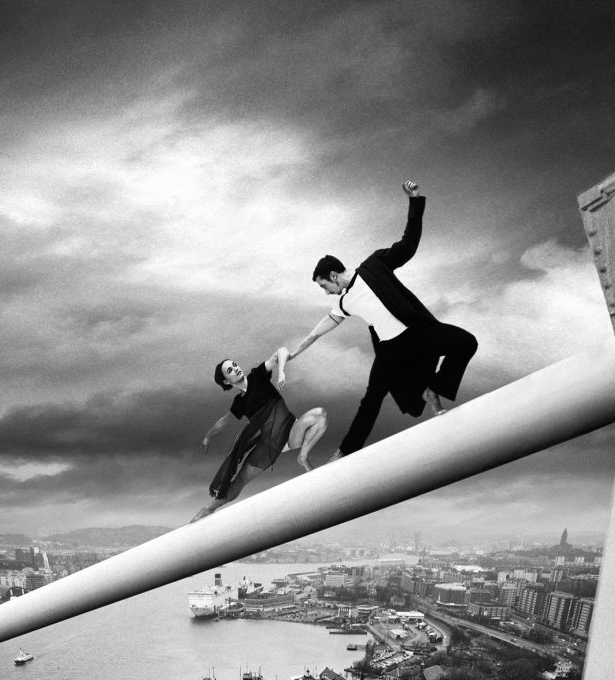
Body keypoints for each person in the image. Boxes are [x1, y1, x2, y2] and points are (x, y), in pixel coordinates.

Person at [291, 178, 477, 459]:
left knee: (466, 343)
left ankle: (434, 389)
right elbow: (319, 330)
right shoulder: (343, 302)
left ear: (332, 276)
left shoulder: (375, 264)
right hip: (390, 350)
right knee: (372, 400)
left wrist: (414, 200)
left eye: (324, 287)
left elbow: (409, 244)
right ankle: (343, 453)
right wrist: (293, 353)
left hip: (418, 332)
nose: (327, 293)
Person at [191, 346, 327, 521]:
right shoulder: (239, 402)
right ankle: (208, 509)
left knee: (320, 415)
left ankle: (303, 456)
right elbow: (223, 421)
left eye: (234, 364)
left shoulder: (257, 376)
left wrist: (281, 372)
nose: (235, 368)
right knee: (239, 481)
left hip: (291, 431)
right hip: (268, 445)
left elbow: (282, 351)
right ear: (227, 381)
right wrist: (208, 435)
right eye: (230, 370)